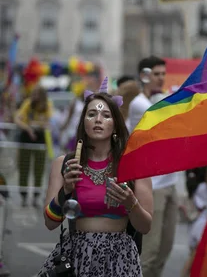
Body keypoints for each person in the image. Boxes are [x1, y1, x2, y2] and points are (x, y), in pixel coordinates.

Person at [38, 80, 152, 276]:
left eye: (106, 115)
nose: (98, 119)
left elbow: (145, 226)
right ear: (84, 122)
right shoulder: (64, 164)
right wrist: (65, 191)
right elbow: (50, 223)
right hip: (77, 257)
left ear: (116, 125)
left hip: (119, 259)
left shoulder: (132, 165)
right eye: (92, 114)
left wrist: (130, 203)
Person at [128, 56, 177, 277]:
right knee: (150, 251)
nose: (160, 78)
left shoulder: (158, 98)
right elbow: (165, 118)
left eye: (162, 74)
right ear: (144, 76)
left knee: (165, 250)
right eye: (155, 74)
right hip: (152, 186)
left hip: (170, 183)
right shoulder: (139, 103)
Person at [14, 85, 53, 207]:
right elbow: (18, 119)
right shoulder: (27, 104)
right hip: (26, 138)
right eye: (33, 94)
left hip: (40, 141)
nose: (34, 97)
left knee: (39, 170)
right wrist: (29, 129)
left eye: (37, 94)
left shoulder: (47, 105)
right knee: (24, 168)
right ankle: (24, 196)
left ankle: (36, 196)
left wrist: (33, 124)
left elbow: (48, 122)